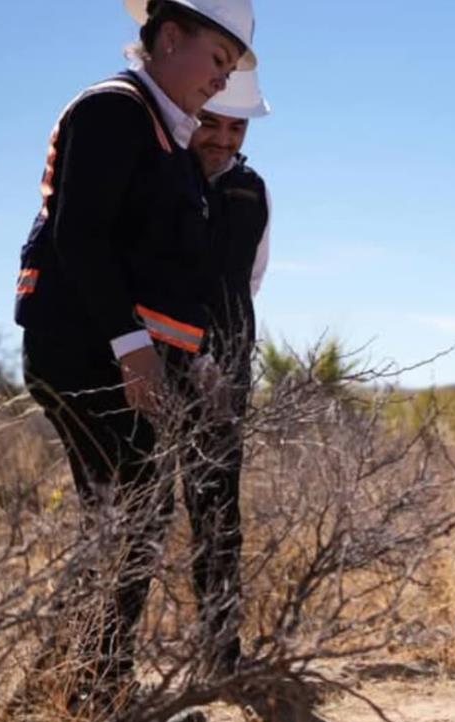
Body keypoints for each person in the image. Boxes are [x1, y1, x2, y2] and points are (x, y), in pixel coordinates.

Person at [15, 0, 256, 710]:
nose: (221, 81)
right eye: (217, 60)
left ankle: (79, 686)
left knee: (129, 517)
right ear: (170, 37)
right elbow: (79, 238)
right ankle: (83, 693)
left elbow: (168, 279)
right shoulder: (113, 111)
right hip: (83, 352)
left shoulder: (171, 144)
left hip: (129, 358)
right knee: (130, 513)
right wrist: (131, 349)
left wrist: (197, 362)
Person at [176, 67, 271, 677]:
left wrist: (227, 356)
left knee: (218, 512)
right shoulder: (162, 175)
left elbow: (251, 275)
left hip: (227, 367)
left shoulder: (252, 188)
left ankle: (220, 654)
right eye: (211, 122)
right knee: (141, 509)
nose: (222, 138)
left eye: (235, 127)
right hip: (161, 360)